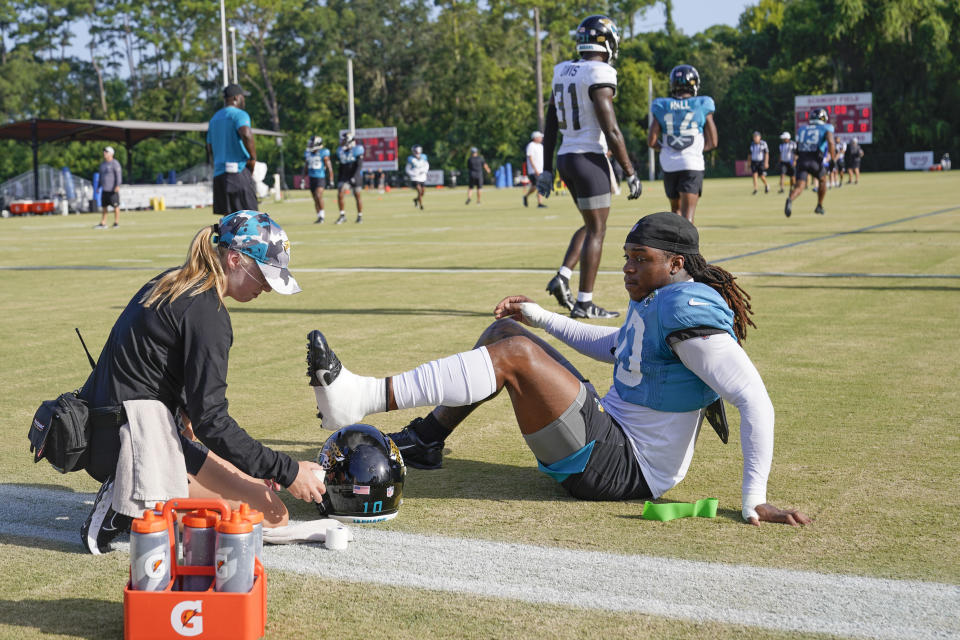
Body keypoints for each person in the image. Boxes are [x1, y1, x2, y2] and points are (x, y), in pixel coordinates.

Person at [307, 212, 810, 528]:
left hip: (625, 471)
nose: (628, 268)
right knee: (508, 336)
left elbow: (754, 398)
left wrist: (755, 498)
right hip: (611, 438)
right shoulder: (661, 298)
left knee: (515, 357)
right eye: (626, 257)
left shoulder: (687, 312)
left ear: (677, 263)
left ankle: (362, 397)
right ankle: (427, 437)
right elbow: (616, 346)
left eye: (641, 259)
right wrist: (540, 317)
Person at [77, 210, 326, 554]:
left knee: (257, 489)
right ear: (236, 259)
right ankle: (129, 496)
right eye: (264, 276)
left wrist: (266, 468)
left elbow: (171, 384)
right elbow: (213, 421)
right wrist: (288, 470)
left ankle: (140, 487)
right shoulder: (208, 315)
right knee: (270, 515)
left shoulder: (176, 281)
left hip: (111, 426)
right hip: (132, 440)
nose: (267, 287)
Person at [539, 15, 642, 320]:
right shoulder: (601, 71)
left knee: (590, 224)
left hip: (566, 157)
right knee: (598, 229)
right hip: (589, 158)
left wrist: (546, 169)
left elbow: (549, 126)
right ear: (606, 42)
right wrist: (631, 170)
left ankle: (563, 275)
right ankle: (584, 303)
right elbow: (611, 130)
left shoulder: (562, 70)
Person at [648, 64, 717, 223]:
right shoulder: (702, 103)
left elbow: (651, 141)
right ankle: (686, 248)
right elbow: (713, 142)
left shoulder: (661, 105)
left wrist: (665, 148)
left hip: (669, 164)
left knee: (675, 212)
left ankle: (673, 247)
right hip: (691, 163)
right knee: (688, 217)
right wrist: (698, 149)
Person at [207, 83, 258, 216]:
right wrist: (253, 158)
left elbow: (209, 147)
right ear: (236, 98)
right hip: (238, 172)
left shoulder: (214, 119)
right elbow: (246, 133)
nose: (244, 100)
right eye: (243, 97)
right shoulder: (240, 115)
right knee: (250, 219)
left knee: (228, 223)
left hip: (219, 175)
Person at [784, 108, 835, 218]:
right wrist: (833, 159)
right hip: (815, 160)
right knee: (822, 180)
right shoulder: (827, 127)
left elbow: (797, 147)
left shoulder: (802, 129)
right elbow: (831, 142)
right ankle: (819, 205)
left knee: (800, 186)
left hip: (802, 160)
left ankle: (790, 199)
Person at [302, 135, 334, 223]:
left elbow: (329, 167)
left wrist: (331, 180)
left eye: (312, 143)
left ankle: (322, 216)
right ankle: (319, 216)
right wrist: (303, 179)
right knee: (315, 198)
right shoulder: (308, 153)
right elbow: (305, 167)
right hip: (312, 178)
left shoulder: (324, 153)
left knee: (318, 195)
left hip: (320, 177)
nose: (310, 145)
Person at [335, 132, 365, 224]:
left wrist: (354, 176)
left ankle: (360, 216)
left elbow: (359, 165)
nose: (341, 141)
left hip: (355, 176)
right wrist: (339, 178)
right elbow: (341, 166)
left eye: (343, 139)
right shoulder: (340, 151)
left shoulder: (357, 150)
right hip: (345, 177)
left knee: (357, 195)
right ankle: (342, 215)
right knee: (340, 193)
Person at [94, 146, 122, 229]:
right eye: (104, 152)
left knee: (115, 206)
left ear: (111, 154)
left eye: (106, 152)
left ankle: (116, 223)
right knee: (104, 207)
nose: (104, 153)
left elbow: (118, 176)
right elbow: (100, 177)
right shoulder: (102, 164)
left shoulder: (115, 163)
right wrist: (98, 187)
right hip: (104, 189)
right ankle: (103, 223)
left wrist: (117, 185)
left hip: (112, 189)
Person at [523, 131, 546, 208]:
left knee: (536, 186)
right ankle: (539, 203)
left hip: (541, 169)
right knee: (537, 185)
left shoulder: (541, 146)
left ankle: (526, 196)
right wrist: (535, 169)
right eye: (540, 137)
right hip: (533, 170)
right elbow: (530, 158)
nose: (541, 138)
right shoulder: (531, 146)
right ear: (535, 138)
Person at [405, 145, 430, 210]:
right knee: (419, 190)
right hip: (415, 178)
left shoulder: (424, 157)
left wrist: (424, 171)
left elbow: (427, 165)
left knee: (422, 192)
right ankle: (421, 205)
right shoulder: (411, 159)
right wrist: (413, 174)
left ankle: (416, 200)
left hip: (422, 177)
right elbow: (407, 169)